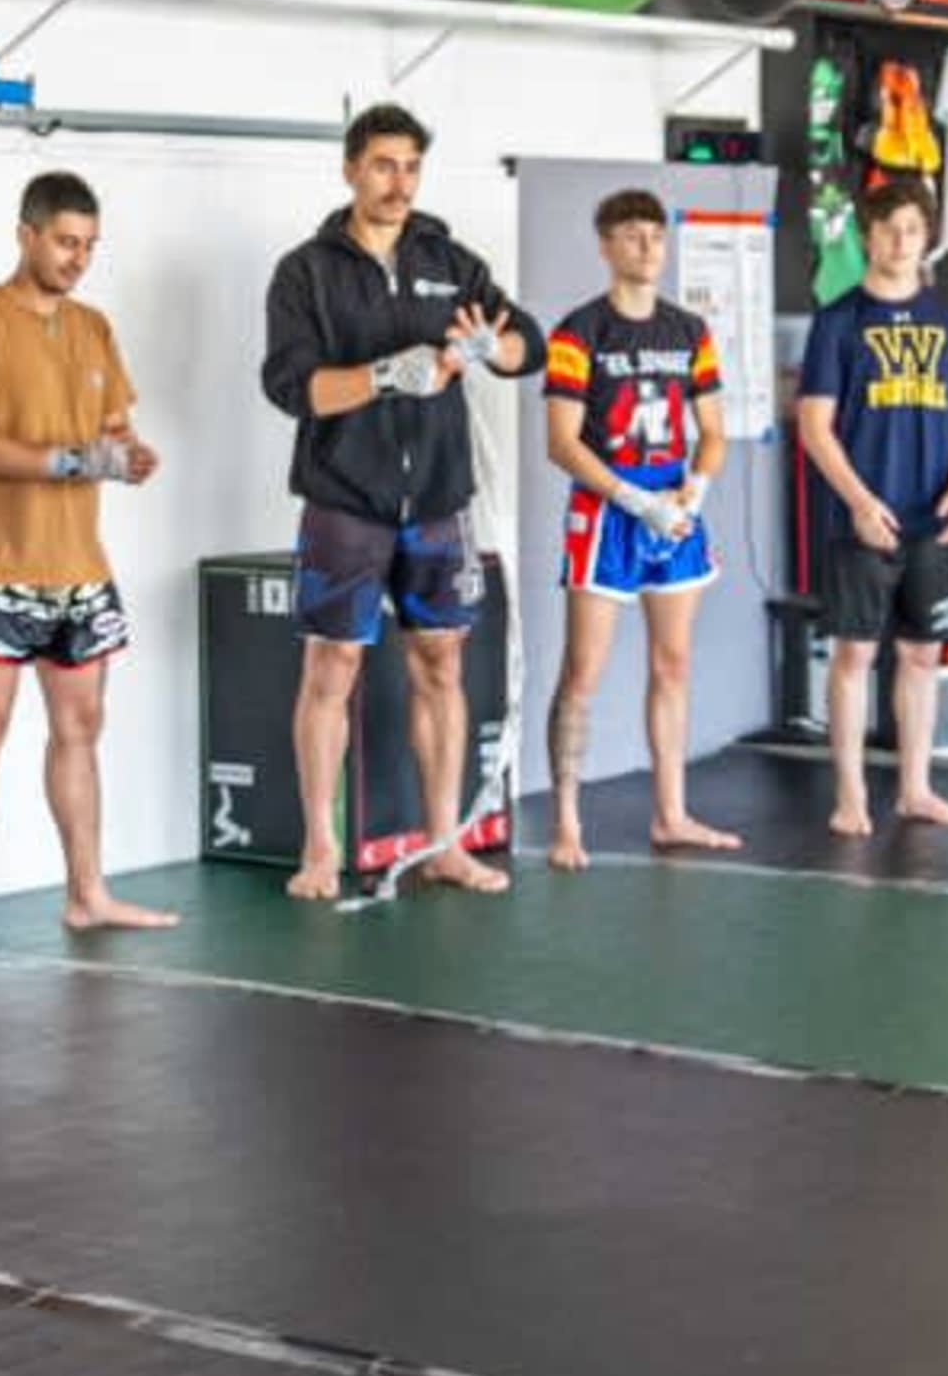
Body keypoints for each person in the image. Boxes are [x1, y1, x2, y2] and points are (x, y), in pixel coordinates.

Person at [260, 104, 539, 902]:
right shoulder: (306, 271)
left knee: (442, 662)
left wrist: (494, 346)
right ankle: (320, 848)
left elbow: (531, 345)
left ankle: (445, 841)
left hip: (440, 496)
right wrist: (383, 376)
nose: (399, 182)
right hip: (345, 498)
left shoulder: (450, 259)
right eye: (384, 165)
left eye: (411, 166)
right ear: (351, 168)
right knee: (333, 665)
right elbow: (290, 386)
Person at [0, 171, 174, 965]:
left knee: (81, 729)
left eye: (89, 247)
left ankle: (87, 892)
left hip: (79, 566)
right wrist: (76, 460)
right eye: (65, 242)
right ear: (25, 234)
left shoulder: (94, 328)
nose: (77, 258)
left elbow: (114, 430)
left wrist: (130, 457)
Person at [541, 188, 736, 869]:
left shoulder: (689, 331)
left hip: (673, 503)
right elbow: (561, 442)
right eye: (631, 236)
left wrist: (694, 488)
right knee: (583, 671)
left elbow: (713, 431)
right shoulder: (579, 331)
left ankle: (671, 812)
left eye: (656, 235)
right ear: (605, 245)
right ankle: (567, 819)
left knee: (672, 662)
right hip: (606, 509)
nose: (647, 247)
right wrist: (629, 497)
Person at [793, 174, 948, 839]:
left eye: (912, 230)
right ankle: (850, 798)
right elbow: (814, 425)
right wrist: (857, 501)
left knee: (923, 655)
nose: (901, 242)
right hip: (863, 519)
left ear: (926, 237)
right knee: (855, 657)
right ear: (868, 236)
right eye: (888, 230)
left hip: (931, 517)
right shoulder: (838, 321)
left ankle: (915, 789)